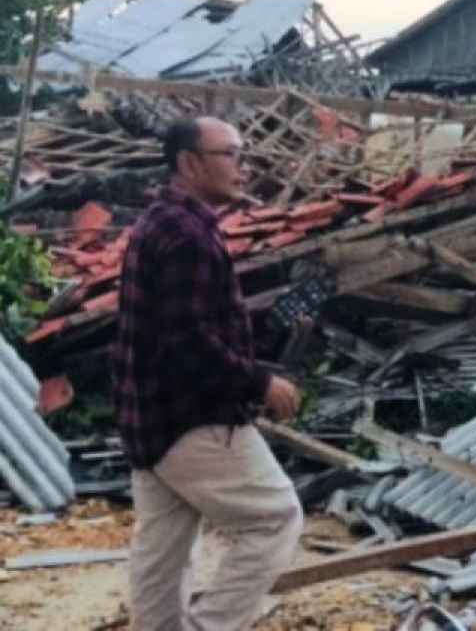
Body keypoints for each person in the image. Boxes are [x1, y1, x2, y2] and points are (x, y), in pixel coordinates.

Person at [111, 117, 303, 630]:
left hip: (149, 421)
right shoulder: (187, 236)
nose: (244, 166)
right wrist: (260, 382)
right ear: (190, 163)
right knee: (276, 516)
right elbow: (188, 342)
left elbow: (183, 324)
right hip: (191, 419)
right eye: (232, 154)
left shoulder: (160, 223)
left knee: (162, 558)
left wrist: (263, 326)